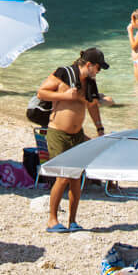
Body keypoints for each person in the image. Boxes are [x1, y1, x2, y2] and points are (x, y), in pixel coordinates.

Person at [38, 49, 108, 233]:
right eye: (98, 68)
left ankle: (72, 221)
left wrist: (100, 128)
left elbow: (92, 105)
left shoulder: (91, 82)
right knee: (62, 177)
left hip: (78, 134)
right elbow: (41, 92)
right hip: (58, 133)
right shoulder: (64, 73)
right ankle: (52, 220)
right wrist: (64, 96)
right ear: (89, 65)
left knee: (76, 177)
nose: (99, 72)